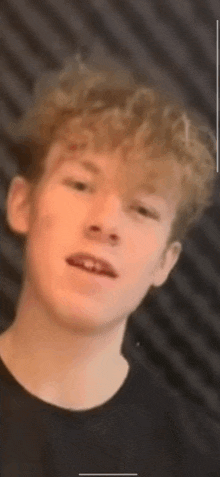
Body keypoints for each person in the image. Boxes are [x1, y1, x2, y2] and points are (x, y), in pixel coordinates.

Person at [0, 56, 219, 476]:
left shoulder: (201, 460)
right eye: (81, 185)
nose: (105, 223)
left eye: (142, 208)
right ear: (22, 205)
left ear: (166, 262)